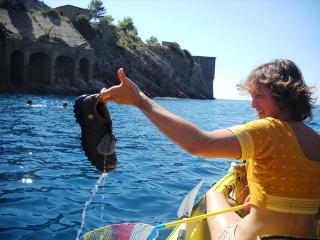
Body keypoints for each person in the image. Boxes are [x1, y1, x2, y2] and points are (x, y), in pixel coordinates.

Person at [99, 59, 320, 239]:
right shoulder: (316, 140)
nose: (253, 105)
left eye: (259, 95)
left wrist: (140, 101)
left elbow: (199, 143)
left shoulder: (268, 131)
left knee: (214, 194)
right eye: (252, 96)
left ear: (283, 95)